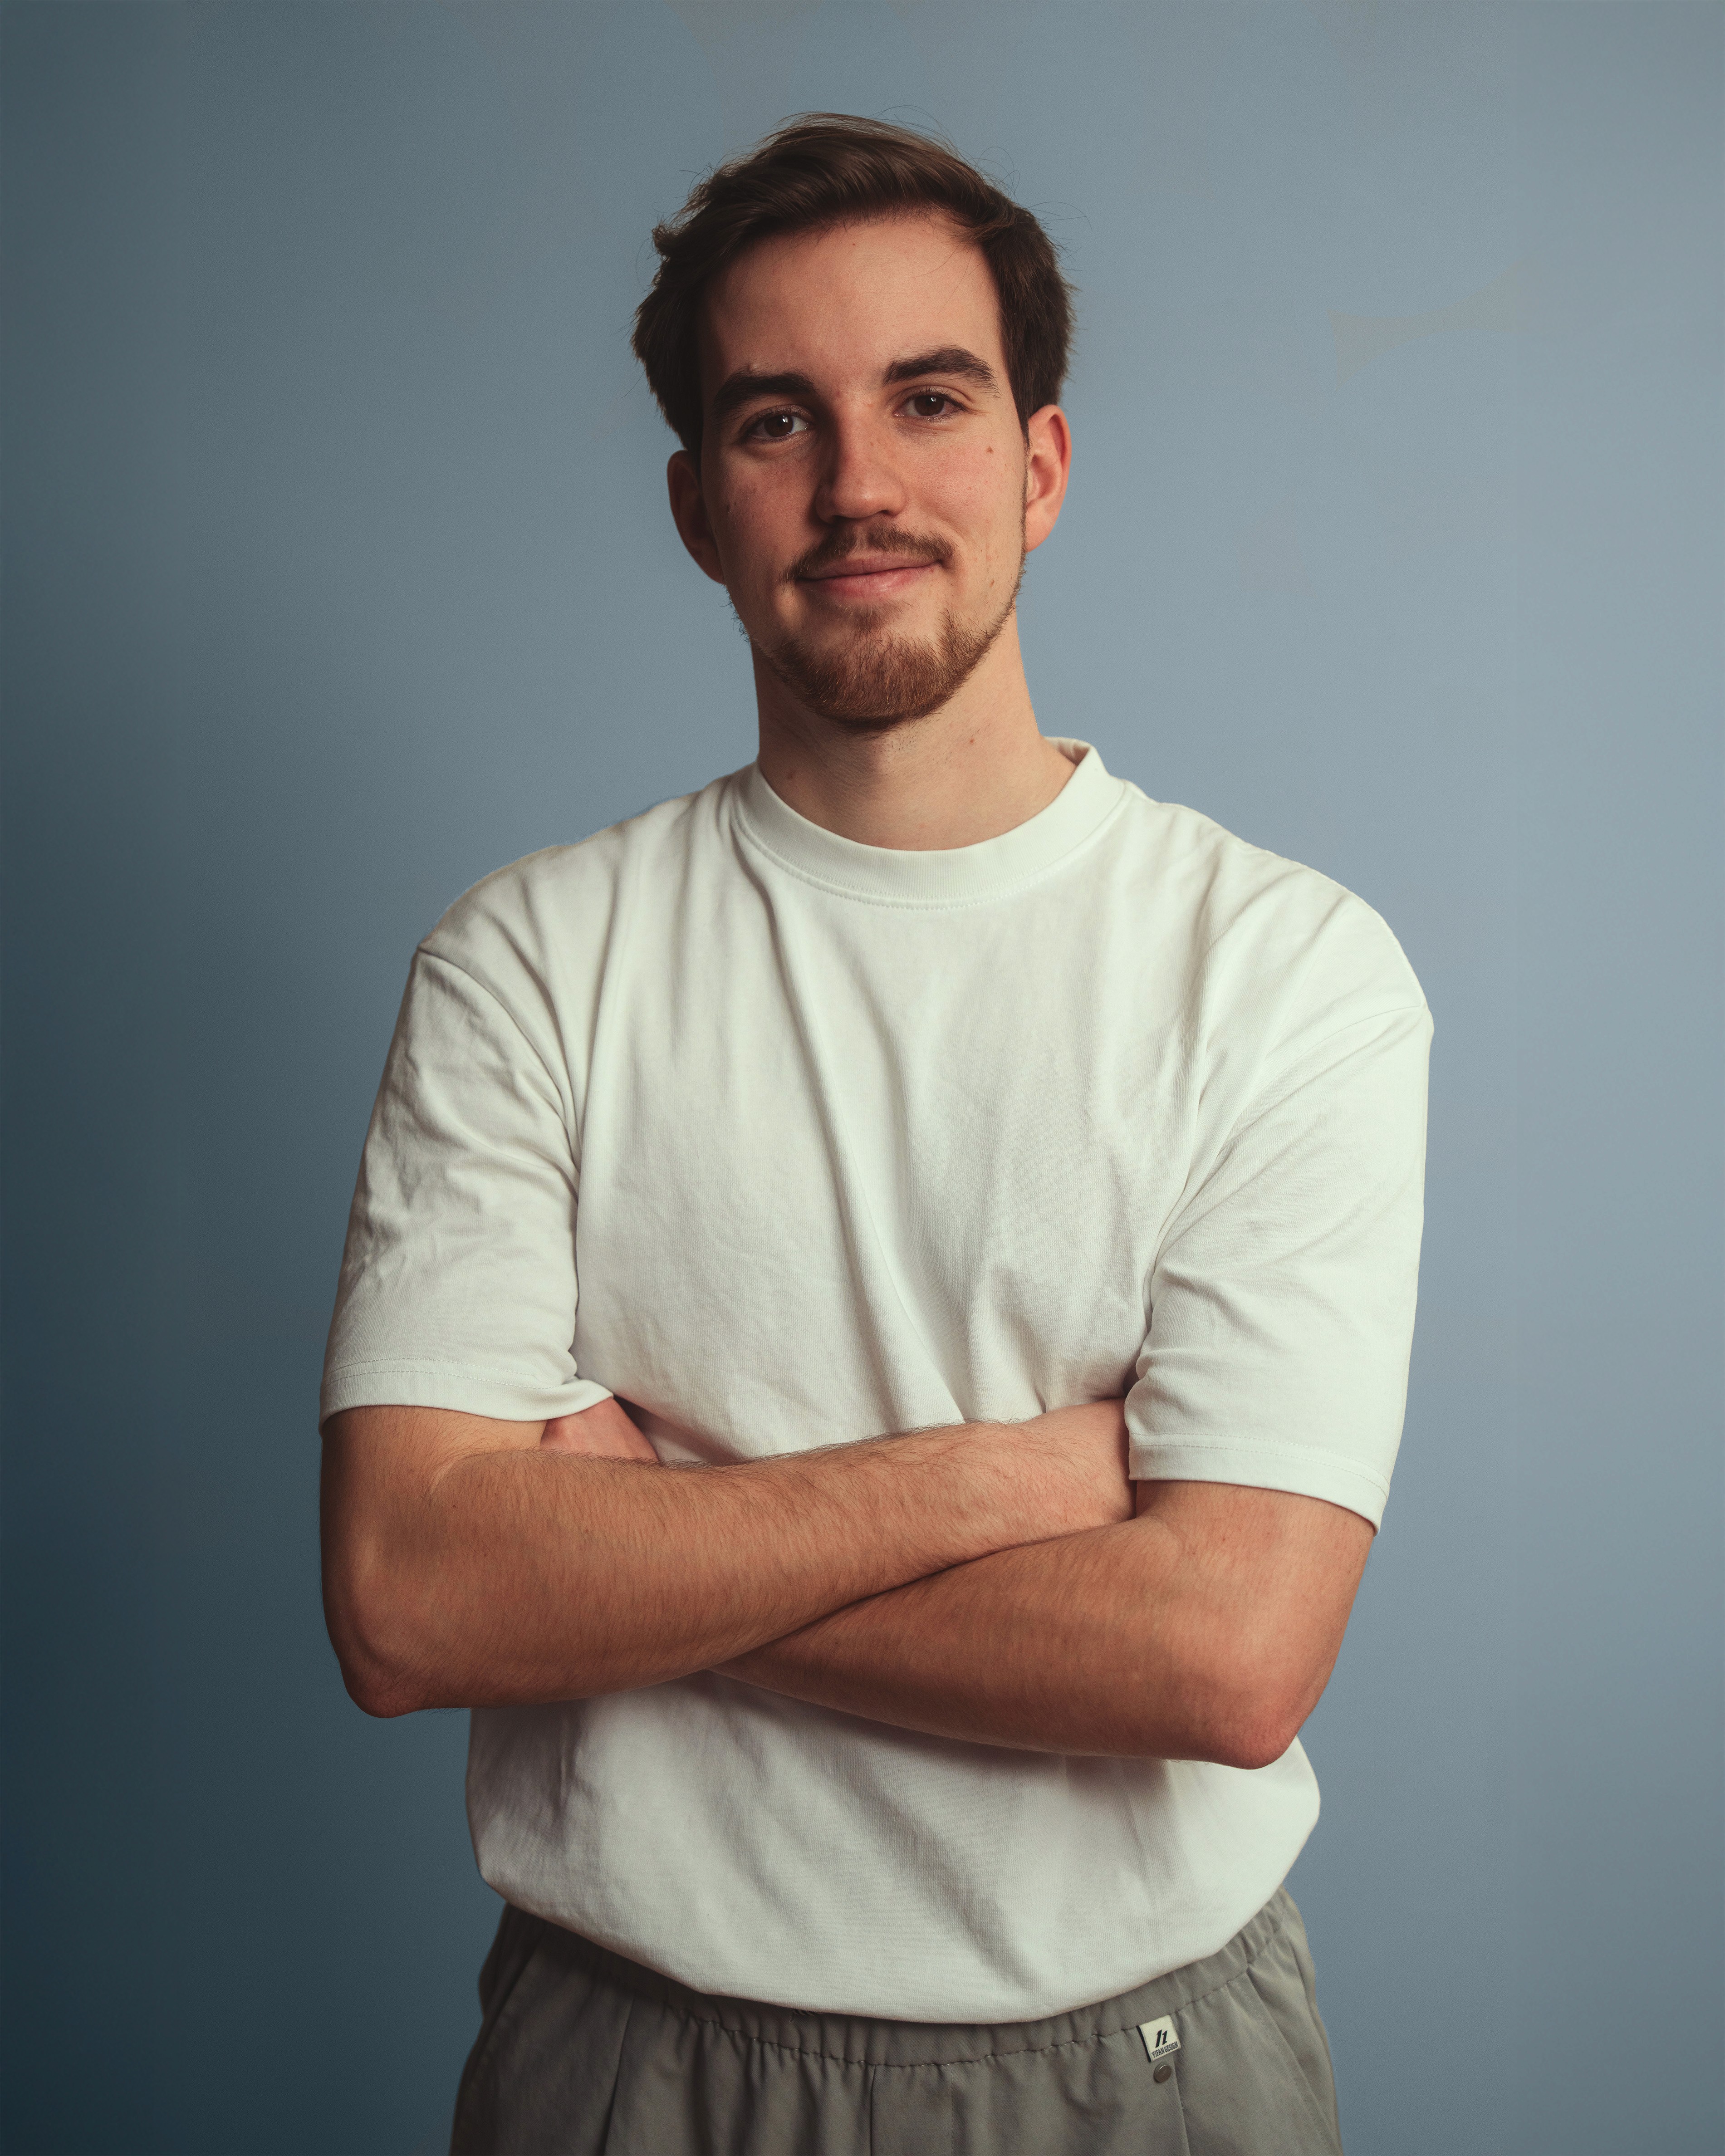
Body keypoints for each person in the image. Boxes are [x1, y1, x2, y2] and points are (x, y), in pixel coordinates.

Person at [319, 115, 1430, 2156]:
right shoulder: (531, 964)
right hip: (624, 2065)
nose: (859, 487)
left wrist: (633, 1553)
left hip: (1150, 2068)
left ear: (1040, 464)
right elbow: (409, 1599)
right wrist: (1015, 1485)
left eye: (930, 398)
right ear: (693, 506)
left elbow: (1227, 1656)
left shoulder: (1286, 970)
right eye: (775, 423)